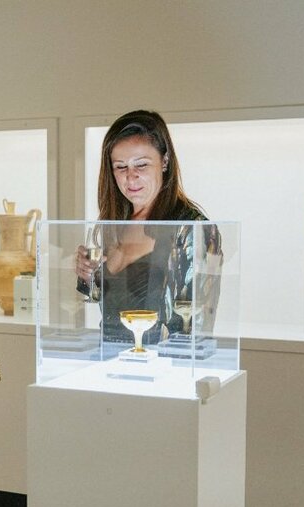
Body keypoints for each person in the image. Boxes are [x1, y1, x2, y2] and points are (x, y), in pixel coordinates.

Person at [76, 109, 221, 348]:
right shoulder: (113, 224)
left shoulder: (191, 228)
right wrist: (88, 276)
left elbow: (197, 321)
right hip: (109, 362)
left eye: (141, 165)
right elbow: (106, 301)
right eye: (120, 167)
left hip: (162, 371)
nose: (131, 178)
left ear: (164, 161)